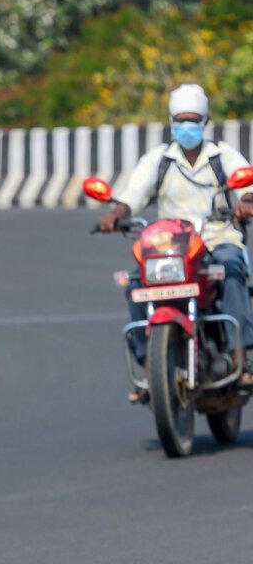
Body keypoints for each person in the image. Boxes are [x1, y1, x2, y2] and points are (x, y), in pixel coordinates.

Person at [99, 83, 253, 368]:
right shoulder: (159, 160)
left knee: (231, 268)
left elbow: (246, 183)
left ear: (205, 122)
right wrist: (116, 214)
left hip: (217, 237)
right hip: (171, 246)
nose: (186, 127)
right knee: (135, 282)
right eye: (180, 121)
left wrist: (246, 201)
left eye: (192, 121)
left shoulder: (222, 156)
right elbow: (133, 192)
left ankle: (239, 354)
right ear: (171, 123)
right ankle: (149, 364)